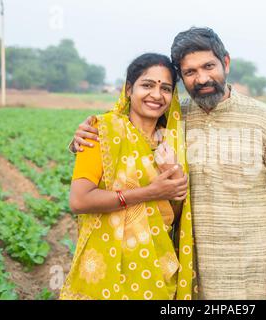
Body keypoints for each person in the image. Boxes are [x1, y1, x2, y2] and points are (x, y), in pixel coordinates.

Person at [70, 27, 266, 300]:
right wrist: (83, 137)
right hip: (190, 271)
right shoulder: (173, 118)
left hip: (255, 271)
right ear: (182, 78)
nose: (202, 78)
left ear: (225, 63)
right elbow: (126, 134)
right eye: (190, 72)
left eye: (208, 66)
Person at [60, 53, 195, 300]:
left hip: (155, 269)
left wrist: (171, 172)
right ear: (129, 89)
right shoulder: (102, 131)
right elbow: (79, 201)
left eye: (165, 88)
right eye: (147, 85)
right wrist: (149, 192)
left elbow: (172, 215)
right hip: (105, 267)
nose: (156, 95)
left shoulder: (172, 144)